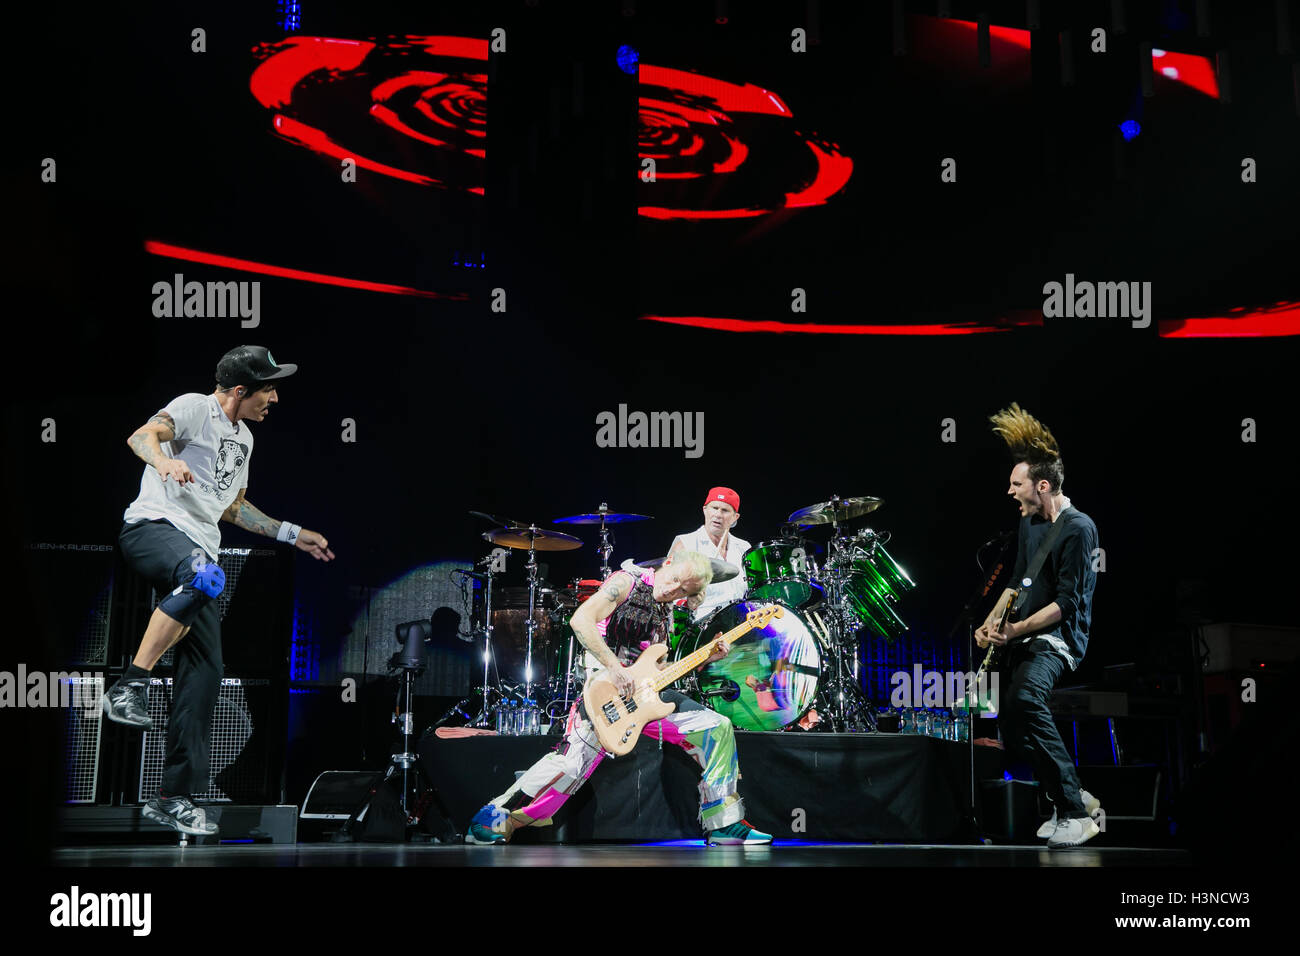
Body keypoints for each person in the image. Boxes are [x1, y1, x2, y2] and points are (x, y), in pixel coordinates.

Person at [104, 345, 335, 837]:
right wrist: (164, 464)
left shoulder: (245, 439)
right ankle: (130, 686)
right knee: (205, 577)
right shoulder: (194, 407)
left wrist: (293, 534)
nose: (274, 398)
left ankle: (173, 797)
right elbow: (142, 436)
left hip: (200, 545)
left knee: (206, 676)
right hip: (153, 528)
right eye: (268, 388)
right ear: (239, 390)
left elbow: (233, 507)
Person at [466, 550, 772, 846]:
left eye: (683, 590)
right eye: (675, 579)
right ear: (667, 564)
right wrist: (614, 667)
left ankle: (724, 824)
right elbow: (580, 620)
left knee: (717, 728)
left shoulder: (666, 612)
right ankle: (494, 818)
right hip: (603, 693)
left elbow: (656, 669)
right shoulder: (626, 581)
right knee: (568, 769)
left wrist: (707, 657)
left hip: (644, 701)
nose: (674, 589)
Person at [976, 403, 1102, 849]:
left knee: (1028, 698)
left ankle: (1074, 813)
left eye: (1017, 483)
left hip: (1059, 639)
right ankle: (1072, 794)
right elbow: (1016, 582)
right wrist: (990, 623)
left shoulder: (1079, 529)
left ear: (1042, 485)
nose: (1009, 491)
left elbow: (1067, 603)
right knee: (1009, 722)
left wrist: (1017, 629)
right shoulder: (1029, 523)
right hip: (1025, 635)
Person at [668, 487, 750, 621]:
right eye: (714, 508)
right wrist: (689, 603)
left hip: (740, 622)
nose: (718, 514)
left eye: (725, 510)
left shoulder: (744, 547)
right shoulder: (686, 543)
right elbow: (669, 592)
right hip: (700, 625)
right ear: (705, 510)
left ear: (735, 517)